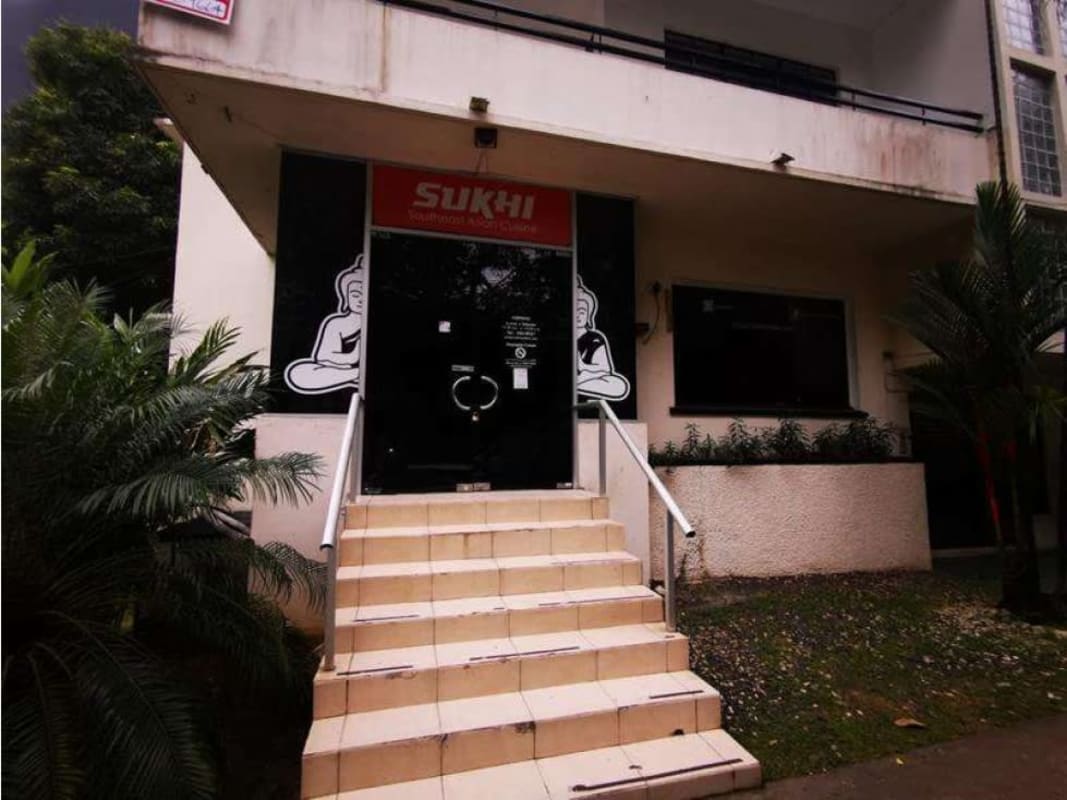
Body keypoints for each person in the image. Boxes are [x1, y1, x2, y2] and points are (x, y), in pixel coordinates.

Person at [285, 256, 364, 395]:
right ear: (346, 297)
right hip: (338, 369)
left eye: (364, 295)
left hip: (355, 370)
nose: (360, 300)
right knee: (298, 373)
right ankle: (356, 375)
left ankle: (359, 375)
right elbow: (323, 356)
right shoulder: (336, 323)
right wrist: (352, 356)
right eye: (355, 295)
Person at [576, 276, 630, 401]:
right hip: (574, 379)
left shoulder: (595, 338)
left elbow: (604, 370)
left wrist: (583, 366)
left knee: (618, 385)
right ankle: (573, 385)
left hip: (588, 378)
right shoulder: (562, 339)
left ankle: (575, 386)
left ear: (589, 315)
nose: (578, 315)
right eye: (575, 311)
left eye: (582, 311)